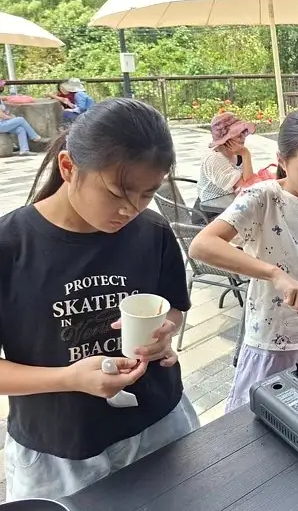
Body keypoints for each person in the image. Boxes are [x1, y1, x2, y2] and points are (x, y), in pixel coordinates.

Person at [0, 99, 200, 501]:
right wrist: (69, 378)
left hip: (160, 424)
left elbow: (174, 309)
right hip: (61, 449)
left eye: (148, 193)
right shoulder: (11, 246)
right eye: (117, 192)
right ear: (68, 167)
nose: (131, 209)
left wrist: (164, 334)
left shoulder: (153, 231)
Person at [188, 106, 298, 412]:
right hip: (272, 337)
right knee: (258, 419)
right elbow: (201, 245)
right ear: (282, 161)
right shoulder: (262, 198)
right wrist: (275, 274)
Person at [195, 112, 256, 222]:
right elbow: (247, 188)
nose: (243, 137)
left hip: (231, 208)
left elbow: (251, 187)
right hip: (209, 216)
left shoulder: (238, 154)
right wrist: (246, 154)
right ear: (225, 139)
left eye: (243, 132)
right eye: (237, 134)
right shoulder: (214, 159)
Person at [0, 79, 50, 155]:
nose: (3, 87)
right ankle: (35, 137)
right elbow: (1, 115)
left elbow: (5, 103)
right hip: (1, 124)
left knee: (20, 129)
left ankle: (24, 150)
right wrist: (11, 118)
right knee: (20, 119)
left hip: (3, 123)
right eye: (2, 86)